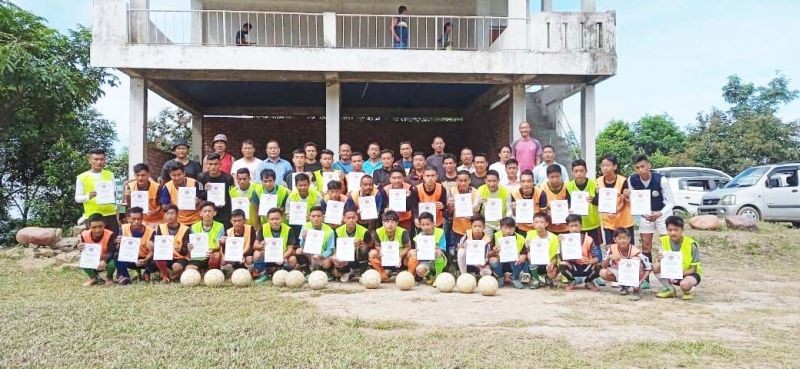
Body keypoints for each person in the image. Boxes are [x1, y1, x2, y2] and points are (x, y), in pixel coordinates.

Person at [629, 154, 674, 290]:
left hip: (662, 214)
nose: (641, 170)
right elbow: (633, 200)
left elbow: (671, 202)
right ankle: (646, 278)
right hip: (646, 215)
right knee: (646, 245)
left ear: (649, 165)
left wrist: (660, 213)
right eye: (637, 168)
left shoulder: (661, 180)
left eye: (643, 166)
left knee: (666, 244)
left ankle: (669, 278)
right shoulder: (632, 180)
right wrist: (644, 214)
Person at [653, 216, 702, 300]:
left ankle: (689, 290)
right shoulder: (663, 241)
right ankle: (670, 289)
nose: (673, 233)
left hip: (688, 273)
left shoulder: (691, 244)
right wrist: (658, 258)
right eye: (670, 230)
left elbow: (693, 269)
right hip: (672, 274)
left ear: (682, 230)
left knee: (685, 285)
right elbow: (659, 262)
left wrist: (677, 274)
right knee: (655, 266)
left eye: (676, 230)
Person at [599, 227, 651, 301]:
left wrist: (641, 281)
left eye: (625, 238)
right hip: (622, 272)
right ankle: (624, 285)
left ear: (629, 239)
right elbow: (603, 266)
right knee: (603, 272)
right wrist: (609, 258)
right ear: (614, 239)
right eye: (619, 238)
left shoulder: (635, 251)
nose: (622, 241)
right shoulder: (612, 248)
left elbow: (649, 267)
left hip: (637, 274)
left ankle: (635, 288)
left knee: (635, 260)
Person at [75, 148, 119, 231]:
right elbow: (77, 198)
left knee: (112, 242)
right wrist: (88, 196)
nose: (99, 162)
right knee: (94, 243)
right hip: (92, 217)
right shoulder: (82, 177)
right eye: (96, 159)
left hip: (110, 215)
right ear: (90, 160)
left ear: (105, 160)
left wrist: (113, 195)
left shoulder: (110, 175)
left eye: (101, 159)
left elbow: (114, 193)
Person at [253, 208, 300, 283]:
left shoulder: (288, 229)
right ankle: (263, 274)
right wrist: (261, 245)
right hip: (268, 255)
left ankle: (285, 273)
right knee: (257, 253)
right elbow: (255, 245)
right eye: (272, 219)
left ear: (282, 218)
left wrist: (282, 257)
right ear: (268, 220)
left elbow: (290, 248)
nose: (274, 221)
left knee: (293, 259)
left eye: (277, 219)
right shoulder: (264, 227)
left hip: (283, 256)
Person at [558, 214, 602, 292]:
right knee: (562, 265)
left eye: (576, 225)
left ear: (581, 226)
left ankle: (589, 281)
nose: (574, 228)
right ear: (567, 227)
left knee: (599, 266)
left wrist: (589, 261)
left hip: (586, 266)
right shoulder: (564, 240)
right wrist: (575, 259)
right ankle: (572, 281)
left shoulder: (588, 239)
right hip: (572, 266)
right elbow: (562, 257)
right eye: (571, 226)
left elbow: (597, 257)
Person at [598, 154, 634, 245]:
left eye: (608, 165)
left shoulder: (623, 180)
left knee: (627, 247)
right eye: (603, 165)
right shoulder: (598, 181)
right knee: (611, 249)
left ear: (614, 166)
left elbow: (624, 200)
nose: (605, 168)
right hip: (608, 222)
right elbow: (598, 200)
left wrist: (615, 210)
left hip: (624, 222)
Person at [369, 210, 413, 282]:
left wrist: (400, 255)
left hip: (400, 257)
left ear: (397, 223)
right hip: (386, 256)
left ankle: (410, 276)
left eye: (393, 222)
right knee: (372, 253)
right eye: (387, 222)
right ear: (383, 223)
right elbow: (377, 245)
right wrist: (381, 250)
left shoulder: (403, 232)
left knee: (413, 253)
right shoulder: (378, 231)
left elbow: (408, 246)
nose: (390, 224)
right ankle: (383, 274)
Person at [566, 159, 602, 244]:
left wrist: (593, 200)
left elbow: (601, 202)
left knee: (596, 249)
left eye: (581, 170)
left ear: (586, 171)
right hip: (576, 225)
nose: (579, 173)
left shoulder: (594, 184)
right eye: (576, 171)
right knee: (577, 249)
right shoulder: (568, 186)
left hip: (593, 224)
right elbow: (567, 203)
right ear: (572, 172)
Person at [115, 206, 154, 284]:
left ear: (142, 218)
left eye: (139, 219)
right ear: (128, 218)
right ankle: (125, 277)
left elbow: (152, 251)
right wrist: (118, 242)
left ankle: (147, 272)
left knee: (158, 258)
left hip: (146, 259)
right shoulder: (123, 228)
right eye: (133, 219)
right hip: (130, 258)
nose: (136, 221)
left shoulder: (151, 231)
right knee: (116, 255)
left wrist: (145, 260)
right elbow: (117, 249)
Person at [152, 204, 190, 282]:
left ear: (177, 215)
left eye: (172, 213)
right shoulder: (160, 227)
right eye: (167, 214)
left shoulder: (186, 229)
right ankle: (167, 276)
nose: (170, 216)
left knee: (176, 267)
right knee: (155, 259)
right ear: (164, 215)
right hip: (166, 256)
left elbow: (185, 251)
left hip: (180, 257)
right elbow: (158, 245)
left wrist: (180, 249)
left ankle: (168, 275)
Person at [77, 214, 117, 286]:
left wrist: (104, 260)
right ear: (89, 227)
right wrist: (80, 248)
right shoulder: (84, 235)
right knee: (83, 261)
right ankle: (93, 278)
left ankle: (109, 277)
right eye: (94, 227)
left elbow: (112, 251)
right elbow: (84, 252)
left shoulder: (110, 234)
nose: (97, 230)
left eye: (100, 226)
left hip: (106, 259)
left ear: (104, 225)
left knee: (114, 262)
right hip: (92, 259)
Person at [197, 153, 235, 228]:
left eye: (215, 164)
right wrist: (205, 190)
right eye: (210, 164)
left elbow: (231, 196)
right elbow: (199, 197)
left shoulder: (228, 178)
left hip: (223, 213)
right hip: (208, 214)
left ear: (220, 164)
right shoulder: (201, 177)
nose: (213, 167)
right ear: (206, 165)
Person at [334, 209, 373, 282]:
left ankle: (362, 274)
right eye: (348, 218)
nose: (351, 220)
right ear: (344, 219)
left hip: (358, 256)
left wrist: (362, 243)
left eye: (353, 218)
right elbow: (335, 247)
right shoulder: (337, 231)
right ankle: (345, 272)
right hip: (344, 257)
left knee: (363, 249)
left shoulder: (364, 231)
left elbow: (370, 246)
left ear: (357, 218)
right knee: (335, 257)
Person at [489, 217, 528, 289]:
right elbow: (489, 254)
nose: (508, 231)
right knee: (492, 260)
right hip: (501, 262)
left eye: (511, 228)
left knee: (520, 259)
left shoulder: (520, 238)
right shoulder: (496, 236)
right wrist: (494, 251)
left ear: (514, 228)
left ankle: (515, 278)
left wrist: (522, 257)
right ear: (501, 228)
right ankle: (501, 277)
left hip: (514, 263)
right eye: (505, 228)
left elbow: (524, 253)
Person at [160, 162, 204, 226]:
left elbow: (203, 202)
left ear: (184, 173)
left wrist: (198, 201)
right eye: (174, 175)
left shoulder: (195, 183)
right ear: (170, 175)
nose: (177, 178)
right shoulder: (167, 187)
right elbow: (164, 206)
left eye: (179, 175)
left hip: (196, 220)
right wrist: (175, 206)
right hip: (178, 221)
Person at [524, 212, 560, 289]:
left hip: (548, 262)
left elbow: (555, 256)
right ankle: (536, 280)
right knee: (530, 256)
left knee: (552, 273)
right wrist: (527, 246)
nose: (539, 224)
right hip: (535, 263)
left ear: (546, 224)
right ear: (533, 224)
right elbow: (527, 251)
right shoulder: (530, 234)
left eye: (542, 222)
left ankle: (548, 279)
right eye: (536, 222)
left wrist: (551, 264)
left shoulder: (554, 237)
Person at [187, 201, 224, 272]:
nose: (207, 213)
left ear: (214, 213)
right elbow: (192, 247)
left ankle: (212, 271)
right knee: (189, 270)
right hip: (199, 255)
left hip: (211, 254)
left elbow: (218, 245)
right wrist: (190, 247)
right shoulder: (194, 227)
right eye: (205, 211)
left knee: (216, 256)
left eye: (210, 211)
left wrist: (211, 250)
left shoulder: (220, 226)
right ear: (200, 213)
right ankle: (201, 270)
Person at [298, 206, 337, 274]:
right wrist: (304, 239)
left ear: (323, 217)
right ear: (309, 217)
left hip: (321, 254)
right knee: (299, 251)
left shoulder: (330, 230)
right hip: (309, 253)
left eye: (319, 216)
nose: (316, 219)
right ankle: (307, 271)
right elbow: (302, 245)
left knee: (326, 264)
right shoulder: (305, 226)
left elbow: (330, 249)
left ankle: (326, 272)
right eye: (313, 216)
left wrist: (322, 256)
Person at [412, 212, 448, 284]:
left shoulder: (440, 232)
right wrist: (417, 251)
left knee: (438, 252)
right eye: (423, 225)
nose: (425, 227)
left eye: (428, 224)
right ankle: (429, 275)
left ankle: (438, 277)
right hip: (426, 261)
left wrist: (434, 249)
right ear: (420, 225)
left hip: (439, 259)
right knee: (419, 270)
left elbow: (442, 249)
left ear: (433, 223)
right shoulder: (418, 237)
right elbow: (418, 253)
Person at [447, 170, 478, 249]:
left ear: (470, 180)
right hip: (457, 227)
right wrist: (450, 206)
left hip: (472, 227)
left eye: (465, 180)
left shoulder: (475, 192)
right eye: (460, 180)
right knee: (459, 250)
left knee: (471, 251)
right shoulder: (452, 191)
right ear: (456, 181)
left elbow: (477, 211)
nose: (463, 183)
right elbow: (449, 212)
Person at [220, 209, 257, 274]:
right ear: (231, 221)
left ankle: (251, 272)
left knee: (250, 259)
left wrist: (243, 255)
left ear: (244, 220)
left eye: (240, 220)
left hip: (245, 256)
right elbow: (224, 250)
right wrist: (222, 243)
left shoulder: (250, 229)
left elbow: (252, 246)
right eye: (235, 221)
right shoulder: (228, 231)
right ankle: (228, 273)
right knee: (223, 260)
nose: (237, 223)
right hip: (233, 257)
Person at [410, 166, 447, 231]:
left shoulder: (441, 188)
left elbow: (444, 206)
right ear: (423, 177)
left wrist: (443, 206)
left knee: (437, 241)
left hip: (437, 223)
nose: (430, 178)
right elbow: (414, 206)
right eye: (427, 176)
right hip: (422, 224)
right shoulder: (417, 189)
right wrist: (415, 218)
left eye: (432, 176)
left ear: (436, 177)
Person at [538, 164, 571, 234]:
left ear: (561, 175)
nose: (555, 179)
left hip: (566, 228)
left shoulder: (567, 188)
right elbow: (540, 208)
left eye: (557, 176)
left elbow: (571, 206)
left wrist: (568, 211)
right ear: (547, 177)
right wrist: (547, 213)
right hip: (549, 228)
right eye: (552, 177)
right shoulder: (542, 188)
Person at [510, 170, 539, 234]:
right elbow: (514, 215)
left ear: (533, 182)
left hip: (537, 228)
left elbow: (543, 214)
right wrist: (514, 209)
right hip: (521, 228)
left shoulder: (540, 192)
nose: (526, 184)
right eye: (523, 181)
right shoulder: (514, 193)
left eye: (529, 181)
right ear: (519, 182)